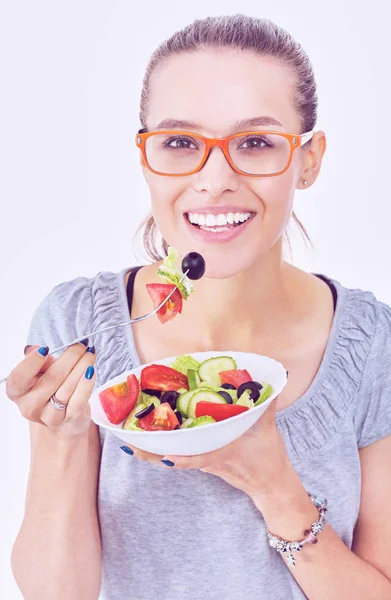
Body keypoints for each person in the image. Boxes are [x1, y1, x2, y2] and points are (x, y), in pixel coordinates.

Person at [8, 14, 391, 600]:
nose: (214, 181)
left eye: (256, 143)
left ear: (308, 160)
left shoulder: (372, 343)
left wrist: (276, 488)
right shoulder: (75, 323)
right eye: (181, 143)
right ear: (145, 157)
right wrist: (63, 441)